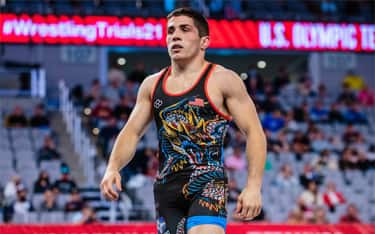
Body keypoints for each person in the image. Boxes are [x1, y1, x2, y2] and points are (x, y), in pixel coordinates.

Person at [100, 7, 266, 234]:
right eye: (170, 31)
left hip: (208, 183)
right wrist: (112, 168)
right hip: (166, 190)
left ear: (204, 42)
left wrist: (254, 185)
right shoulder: (152, 85)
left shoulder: (223, 80)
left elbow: (254, 132)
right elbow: (132, 132)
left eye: (184, 29)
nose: (174, 36)